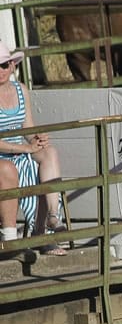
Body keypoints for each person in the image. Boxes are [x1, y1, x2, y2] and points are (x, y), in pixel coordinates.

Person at [0, 40, 67, 255]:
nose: (1, 71)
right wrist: (26, 149)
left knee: (49, 153)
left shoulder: (21, 90)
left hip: (19, 149)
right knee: (8, 168)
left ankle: (51, 220)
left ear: (12, 66)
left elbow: (27, 125)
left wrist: (36, 138)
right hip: (6, 153)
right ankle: (11, 238)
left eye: (3, 65)